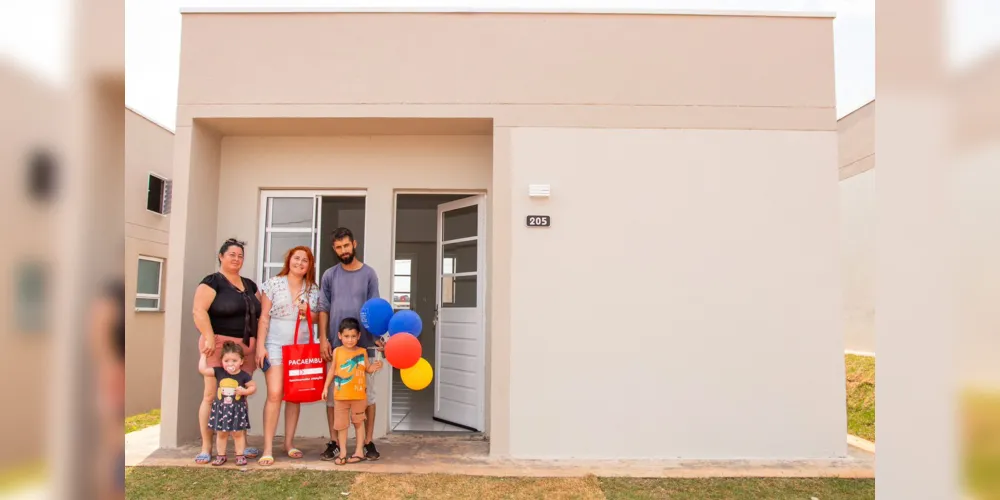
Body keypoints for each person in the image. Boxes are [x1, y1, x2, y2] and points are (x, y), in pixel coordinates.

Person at [191, 238, 261, 464]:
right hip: (218, 345)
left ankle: (243, 444)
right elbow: (198, 311)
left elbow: (259, 316)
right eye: (232, 254)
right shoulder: (213, 282)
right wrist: (209, 337)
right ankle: (206, 446)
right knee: (212, 395)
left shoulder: (250, 285)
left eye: (240, 255)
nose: (237, 259)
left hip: (245, 348)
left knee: (240, 394)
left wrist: (258, 345)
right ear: (221, 256)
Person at [317, 227, 383, 461]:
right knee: (336, 397)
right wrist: (323, 338)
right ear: (334, 249)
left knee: (368, 397)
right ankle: (335, 442)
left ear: (354, 244)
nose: (343, 250)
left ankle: (367, 443)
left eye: (346, 245)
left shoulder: (369, 274)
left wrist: (377, 337)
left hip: (365, 346)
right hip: (336, 348)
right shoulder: (329, 275)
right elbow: (323, 308)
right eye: (338, 247)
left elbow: (375, 309)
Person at [254, 246, 319, 466]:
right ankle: (268, 448)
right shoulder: (273, 283)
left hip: (300, 347)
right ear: (288, 259)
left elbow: (318, 318)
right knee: (274, 393)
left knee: (294, 394)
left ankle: (289, 443)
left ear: (309, 266)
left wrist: (307, 311)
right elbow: (263, 317)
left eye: (305, 260)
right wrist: (260, 346)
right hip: (274, 343)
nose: (300, 263)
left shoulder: (312, 289)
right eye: (297, 258)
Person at [321, 318, 383, 465]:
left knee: (359, 423)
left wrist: (375, 367)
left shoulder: (362, 352)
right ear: (340, 336)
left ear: (359, 336)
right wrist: (325, 387)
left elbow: (367, 369)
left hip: (359, 396)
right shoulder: (337, 352)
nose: (350, 340)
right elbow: (332, 371)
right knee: (341, 425)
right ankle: (342, 452)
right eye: (347, 336)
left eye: (353, 336)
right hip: (341, 397)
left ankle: (359, 451)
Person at [198, 341, 256, 466]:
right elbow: (203, 370)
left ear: (241, 361)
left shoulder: (243, 375)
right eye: (227, 361)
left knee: (238, 433)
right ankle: (221, 455)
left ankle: (239, 455)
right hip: (222, 409)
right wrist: (203, 356)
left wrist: (245, 391)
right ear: (222, 361)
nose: (230, 364)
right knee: (221, 433)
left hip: (237, 410)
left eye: (234, 361)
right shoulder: (219, 372)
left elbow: (253, 387)